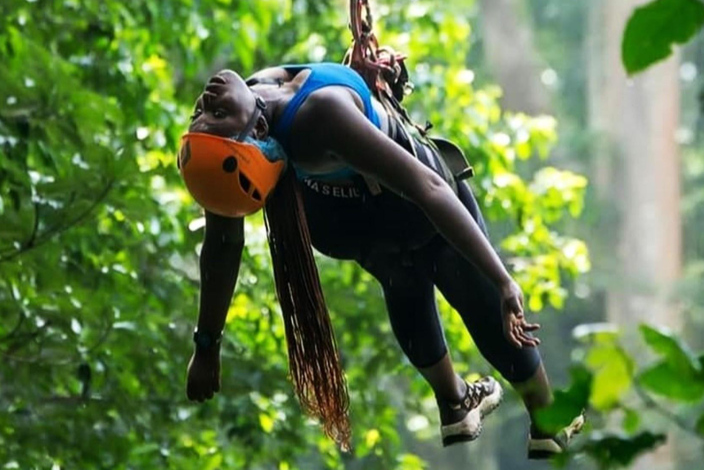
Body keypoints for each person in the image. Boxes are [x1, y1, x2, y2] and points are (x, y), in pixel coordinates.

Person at [178, 62, 584, 458]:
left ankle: (453, 401)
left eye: (203, 112)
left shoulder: (245, 137)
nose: (206, 102)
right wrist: (503, 280)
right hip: (404, 208)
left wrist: (207, 347)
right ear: (259, 130)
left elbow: (223, 243)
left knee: (400, 276)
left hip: (340, 224)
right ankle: (548, 419)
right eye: (216, 112)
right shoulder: (320, 116)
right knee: (469, 285)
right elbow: (427, 186)